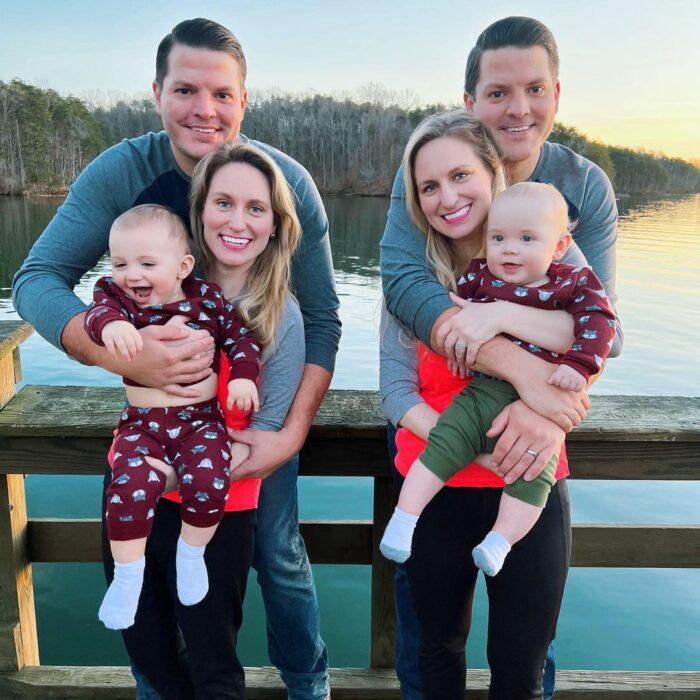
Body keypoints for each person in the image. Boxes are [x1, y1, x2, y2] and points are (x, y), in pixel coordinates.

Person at [13, 18, 339, 700]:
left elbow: (324, 320)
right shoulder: (122, 173)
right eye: (186, 89)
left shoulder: (284, 184)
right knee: (147, 564)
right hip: (160, 422)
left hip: (258, 419)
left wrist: (290, 435)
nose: (205, 109)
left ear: (244, 100)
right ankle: (156, 686)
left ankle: (309, 685)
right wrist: (117, 355)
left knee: (278, 560)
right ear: (157, 92)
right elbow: (37, 279)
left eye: (222, 93)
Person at [380, 17, 621, 699]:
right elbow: (395, 366)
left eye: (535, 89)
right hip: (443, 479)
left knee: (523, 659)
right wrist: (471, 436)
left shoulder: (570, 213)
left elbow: (601, 328)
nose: (447, 196)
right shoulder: (420, 257)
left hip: (531, 477)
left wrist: (549, 415)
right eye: (433, 185)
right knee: (433, 650)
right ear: (471, 103)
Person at [380, 181, 616, 577]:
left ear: (558, 247)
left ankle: (501, 541)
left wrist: (578, 368)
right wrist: (458, 350)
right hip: (485, 389)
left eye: (526, 238)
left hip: (547, 392)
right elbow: (454, 322)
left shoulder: (572, 283)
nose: (510, 248)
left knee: (534, 475)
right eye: (499, 238)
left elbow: (602, 327)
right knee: (446, 441)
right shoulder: (478, 277)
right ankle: (404, 519)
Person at [86, 204, 261, 629]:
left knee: (209, 479)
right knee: (127, 487)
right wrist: (110, 328)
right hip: (141, 424)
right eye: (121, 262)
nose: (133, 275)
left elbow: (242, 340)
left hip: (200, 421)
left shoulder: (209, 301)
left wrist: (242, 378)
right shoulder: (116, 300)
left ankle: (192, 553)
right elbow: (94, 317)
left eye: (147, 263)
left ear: (183, 266)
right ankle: (128, 577)